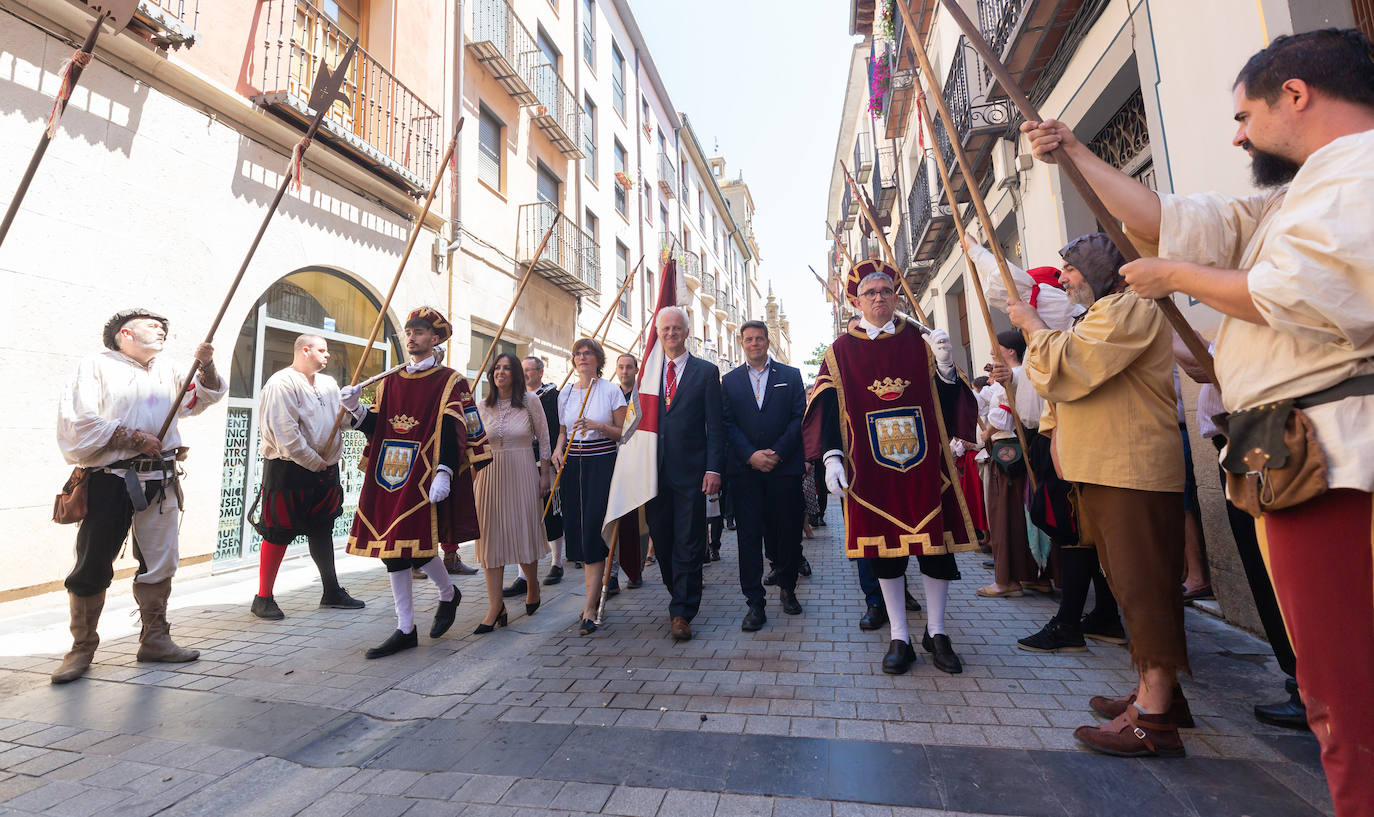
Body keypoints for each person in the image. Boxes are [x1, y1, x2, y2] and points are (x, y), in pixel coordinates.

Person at [1025, 29, 1374, 804]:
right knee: (1326, 680)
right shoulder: (1294, 192)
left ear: (1296, 95)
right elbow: (1174, 217)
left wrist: (1172, 276)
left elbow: (1309, 292)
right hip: (1278, 445)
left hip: (1332, 448)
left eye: (1246, 115)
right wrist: (1076, 154)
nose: (1237, 133)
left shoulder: (1360, 170)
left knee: (1348, 693)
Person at [1006, 233, 1188, 756]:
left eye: (1069, 269)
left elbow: (1073, 368)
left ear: (1096, 267)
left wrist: (1035, 327)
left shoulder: (1130, 307)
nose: (1061, 279)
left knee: (1143, 588)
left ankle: (1153, 720)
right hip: (1110, 467)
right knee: (1134, 586)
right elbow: (1057, 380)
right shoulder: (1105, 311)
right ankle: (1159, 692)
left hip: (1131, 467)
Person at [803, 260, 979, 675]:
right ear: (856, 301)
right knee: (886, 557)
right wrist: (830, 458)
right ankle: (899, 635)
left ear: (895, 296)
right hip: (871, 471)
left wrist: (948, 368)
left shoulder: (922, 342)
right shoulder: (840, 350)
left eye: (886, 291)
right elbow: (827, 408)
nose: (879, 298)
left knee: (936, 554)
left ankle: (937, 633)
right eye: (871, 293)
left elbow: (949, 403)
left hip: (925, 467)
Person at [963, 233, 1125, 653]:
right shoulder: (1079, 315)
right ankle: (1101, 613)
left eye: (1070, 270)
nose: (1064, 279)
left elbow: (1013, 288)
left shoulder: (1072, 310)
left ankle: (1074, 620)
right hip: (1056, 438)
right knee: (1075, 530)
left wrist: (979, 253)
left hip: (1075, 441)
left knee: (1076, 530)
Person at [52, 309, 227, 684]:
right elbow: (77, 422)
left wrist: (207, 366)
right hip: (110, 479)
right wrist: (132, 437)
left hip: (160, 478)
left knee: (160, 561)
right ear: (125, 333)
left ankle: (155, 640)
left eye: (164, 325)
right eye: (153, 325)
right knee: (92, 561)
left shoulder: (169, 370)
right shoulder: (96, 366)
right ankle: (81, 649)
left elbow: (201, 397)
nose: (162, 329)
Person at [339, 307, 488, 659]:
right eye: (408, 332)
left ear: (435, 340)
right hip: (387, 473)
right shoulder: (390, 380)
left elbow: (457, 432)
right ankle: (408, 625)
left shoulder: (451, 380)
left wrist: (445, 472)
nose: (411, 337)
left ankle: (444, 598)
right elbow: (376, 429)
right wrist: (355, 410)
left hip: (424, 475)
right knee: (393, 551)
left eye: (419, 332)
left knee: (416, 547)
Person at [249, 334, 365, 620]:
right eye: (322, 350)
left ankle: (331, 591)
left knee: (322, 528)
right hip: (288, 470)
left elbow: (343, 422)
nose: (328, 355)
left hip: (325, 469)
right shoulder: (281, 383)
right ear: (305, 350)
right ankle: (263, 598)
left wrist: (356, 407)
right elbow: (285, 432)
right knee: (278, 531)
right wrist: (315, 461)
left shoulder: (328, 384)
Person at [722, 320, 806, 630]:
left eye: (759, 338)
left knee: (785, 533)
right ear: (741, 344)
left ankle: (788, 589)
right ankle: (754, 603)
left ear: (768, 342)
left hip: (784, 470)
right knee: (748, 540)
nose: (754, 344)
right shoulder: (729, 382)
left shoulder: (791, 376)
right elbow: (727, 423)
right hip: (746, 474)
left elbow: (799, 418)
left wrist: (777, 452)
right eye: (749, 339)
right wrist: (750, 456)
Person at [647, 306, 724, 642]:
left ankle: (682, 610)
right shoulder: (648, 375)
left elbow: (715, 426)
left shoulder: (706, 372)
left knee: (689, 543)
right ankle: (676, 588)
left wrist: (713, 468)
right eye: (665, 329)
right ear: (659, 333)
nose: (671, 334)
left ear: (686, 332)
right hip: (653, 474)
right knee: (662, 541)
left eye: (677, 328)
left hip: (692, 473)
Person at [470, 353, 549, 632]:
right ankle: (495, 606)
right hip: (489, 476)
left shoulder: (530, 401)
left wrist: (544, 475)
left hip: (523, 471)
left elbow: (544, 439)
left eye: (506, 368)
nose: (500, 372)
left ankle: (533, 585)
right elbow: (474, 446)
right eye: (497, 368)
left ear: (516, 374)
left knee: (523, 532)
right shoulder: (481, 405)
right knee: (491, 539)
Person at [554, 338, 627, 635]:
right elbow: (562, 431)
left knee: (594, 530)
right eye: (578, 354)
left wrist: (598, 426)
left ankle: (589, 608)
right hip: (573, 467)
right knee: (577, 530)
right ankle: (592, 598)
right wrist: (558, 451)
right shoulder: (566, 393)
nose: (582, 358)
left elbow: (623, 432)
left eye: (588, 354)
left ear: (598, 360)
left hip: (601, 464)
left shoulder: (610, 391)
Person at [978, 330, 1043, 598]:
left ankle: (1006, 580)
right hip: (1016, 451)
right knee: (1019, 515)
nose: (992, 352)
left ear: (1011, 352)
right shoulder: (1016, 376)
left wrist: (984, 434)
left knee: (1004, 517)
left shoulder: (1017, 375)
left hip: (1009, 452)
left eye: (997, 347)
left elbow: (1004, 414)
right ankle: (1030, 575)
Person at [503, 356, 563, 598]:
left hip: (546, 459)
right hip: (521, 460)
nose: (525, 374)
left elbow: (557, 428)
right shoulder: (514, 397)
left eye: (530, 370)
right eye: (523, 370)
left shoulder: (552, 397)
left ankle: (557, 563)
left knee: (551, 511)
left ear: (540, 371)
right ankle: (522, 576)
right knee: (523, 517)